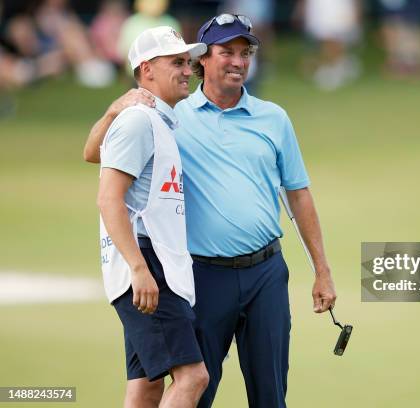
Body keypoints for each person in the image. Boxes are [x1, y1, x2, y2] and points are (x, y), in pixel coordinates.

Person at [84, 14, 337, 408]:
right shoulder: (169, 113)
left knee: (271, 395)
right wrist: (115, 109)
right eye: (227, 53)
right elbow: (98, 155)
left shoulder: (274, 118)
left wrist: (322, 270)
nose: (238, 62)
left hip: (266, 273)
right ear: (203, 59)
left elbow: (298, 195)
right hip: (201, 276)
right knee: (196, 388)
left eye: (245, 53)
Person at [95, 26, 209, 407]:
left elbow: (92, 153)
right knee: (193, 377)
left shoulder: (152, 121)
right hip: (147, 263)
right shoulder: (139, 122)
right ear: (147, 70)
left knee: (146, 385)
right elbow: (109, 198)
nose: (188, 70)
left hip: (150, 261)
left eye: (188, 62)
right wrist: (139, 269)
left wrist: (112, 110)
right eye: (177, 62)